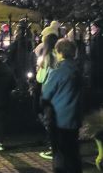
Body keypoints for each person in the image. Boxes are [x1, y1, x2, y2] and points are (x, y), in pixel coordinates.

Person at [41, 38, 83, 173]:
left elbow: (46, 94)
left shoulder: (58, 71)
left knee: (60, 154)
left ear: (59, 52)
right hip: (74, 118)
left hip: (59, 119)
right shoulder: (77, 69)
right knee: (73, 151)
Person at [8, 19, 33, 91]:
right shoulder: (16, 42)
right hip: (19, 65)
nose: (22, 32)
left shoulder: (27, 39)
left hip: (24, 64)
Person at [90, 18, 103, 103]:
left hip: (98, 62)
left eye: (93, 26)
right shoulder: (99, 35)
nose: (92, 27)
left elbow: (96, 50)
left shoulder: (97, 36)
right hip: (99, 61)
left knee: (98, 81)